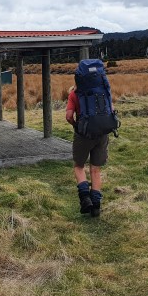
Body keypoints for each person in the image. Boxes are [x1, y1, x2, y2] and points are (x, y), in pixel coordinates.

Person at [66, 85, 109, 217]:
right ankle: (96, 207)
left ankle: (85, 198)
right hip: (102, 133)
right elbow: (110, 110)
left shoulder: (74, 93)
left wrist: (76, 125)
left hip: (83, 134)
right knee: (95, 169)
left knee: (79, 166)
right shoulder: (103, 90)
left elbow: (68, 116)